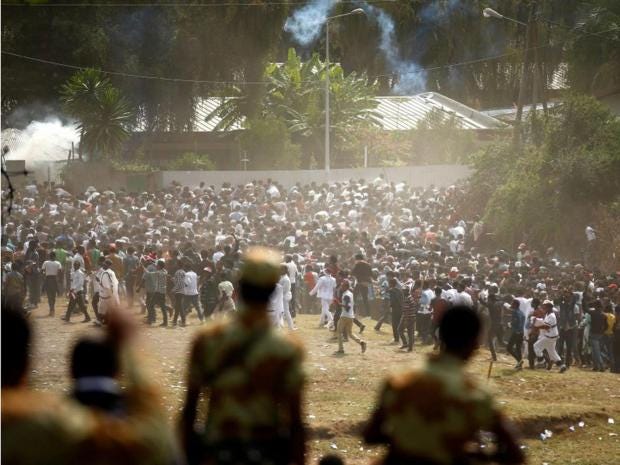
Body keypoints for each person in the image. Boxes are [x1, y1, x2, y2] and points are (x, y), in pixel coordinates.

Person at [181, 247, 305, 465]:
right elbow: (295, 419)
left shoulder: (209, 338)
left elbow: (191, 407)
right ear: (270, 290)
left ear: (239, 287)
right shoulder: (287, 347)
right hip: (266, 450)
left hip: (218, 448)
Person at [364, 306, 525, 465]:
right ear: (475, 343)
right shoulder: (476, 394)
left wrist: (408, 441)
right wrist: (470, 453)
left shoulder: (399, 379)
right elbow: (515, 453)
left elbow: (370, 435)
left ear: (440, 334)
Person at [335, 280, 367, 355]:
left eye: (342, 286)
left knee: (339, 332)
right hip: (351, 316)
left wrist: (339, 304)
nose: (341, 287)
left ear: (346, 286)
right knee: (350, 333)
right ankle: (361, 342)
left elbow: (348, 307)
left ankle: (341, 349)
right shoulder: (350, 293)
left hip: (344, 316)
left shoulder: (346, 295)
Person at [532, 300, 565, 372]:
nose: (544, 308)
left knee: (536, 346)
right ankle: (561, 365)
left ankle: (541, 362)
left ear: (550, 307)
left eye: (545, 307)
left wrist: (537, 327)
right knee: (552, 351)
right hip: (552, 335)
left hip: (549, 336)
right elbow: (544, 323)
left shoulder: (551, 316)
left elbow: (547, 327)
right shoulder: (548, 314)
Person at [351, 253, 373, 318]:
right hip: (366, 283)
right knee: (365, 299)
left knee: (353, 298)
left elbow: (353, 273)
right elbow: (371, 274)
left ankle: (353, 313)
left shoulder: (357, 264)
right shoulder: (368, 265)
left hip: (359, 283)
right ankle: (368, 315)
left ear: (357, 259)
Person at [41, 251, 62, 316]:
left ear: (49, 256)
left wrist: (44, 277)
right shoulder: (58, 263)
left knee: (49, 295)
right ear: (55, 256)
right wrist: (59, 279)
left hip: (48, 279)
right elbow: (60, 271)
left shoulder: (46, 262)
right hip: (55, 279)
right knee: (53, 295)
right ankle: (52, 308)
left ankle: (51, 309)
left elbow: (42, 271)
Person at [506, 299, 525, 369]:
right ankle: (519, 366)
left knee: (509, 348)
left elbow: (517, 322)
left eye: (512, 304)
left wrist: (510, 324)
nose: (511, 305)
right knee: (518, 348)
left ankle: (519, 360)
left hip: (517, 332)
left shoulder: (515, 312)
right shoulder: (522, 312)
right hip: (521, 332)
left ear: (515, 305)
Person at [397, 283, 416, 352]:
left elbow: (407, 310)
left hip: (408, 317)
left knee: (402, 330)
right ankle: (406, 344)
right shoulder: (410, 297)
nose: (402, 292)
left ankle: (409, 346)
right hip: (410, 316)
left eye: (403, 291)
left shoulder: (407, 299)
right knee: (409, 332)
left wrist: (406, 320)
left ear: (406, 291)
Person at [387, 278, 404, 345]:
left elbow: (392, 300)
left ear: (391, 284)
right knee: (400, 324)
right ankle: (401, 338)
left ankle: (396, 339)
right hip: (401, 309)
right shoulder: (400, 290)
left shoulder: (391, 290)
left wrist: (389, 307)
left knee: (394, 324)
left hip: (395, 309)